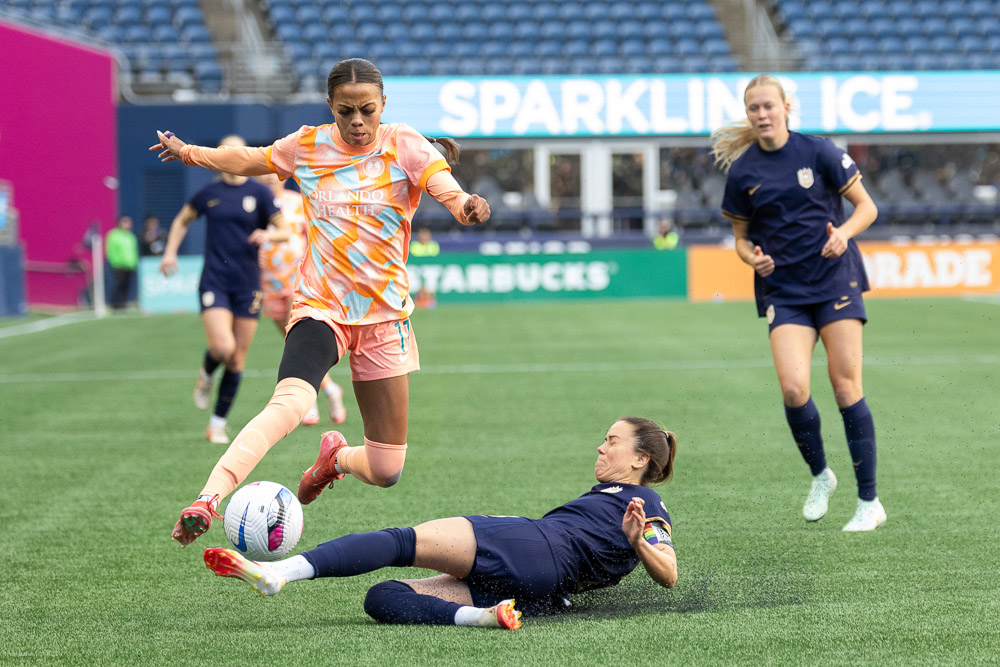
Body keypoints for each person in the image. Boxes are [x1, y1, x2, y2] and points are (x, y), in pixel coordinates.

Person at [151, 58, 492, 547]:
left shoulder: (406, 144)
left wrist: (466, 206)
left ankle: (334, 459)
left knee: (386, 467)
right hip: (320, 308)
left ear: (383, 107)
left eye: (367, 111)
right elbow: (251, 159)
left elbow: (449, 192)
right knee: (290, 403)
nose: (357, 121)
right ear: (330, 106)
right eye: (346, 111)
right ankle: (208, 498)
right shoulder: (309, 145)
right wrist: (189, 153)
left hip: (385, 318)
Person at [202, 417, 678, 629]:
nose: (601, 446)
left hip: (531, 546)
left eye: (612, 441)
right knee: (383, 597)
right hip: (540, 591)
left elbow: (669, 573)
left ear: (639, 459)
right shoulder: (614, 498)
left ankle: (279, 573)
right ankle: (483, 618)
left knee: (398, 541)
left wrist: (639, 542)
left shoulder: (644, 501)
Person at [712, 74, 885, 531]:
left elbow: (867, 208)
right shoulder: (744, 171)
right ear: (748, 114)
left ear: (786, 107)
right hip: (784, 290)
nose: (762, 115)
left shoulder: (820, 151)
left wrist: (843, 235)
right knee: (794, 389)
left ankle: (869, 501)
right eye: (754, 109)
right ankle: (820, 475)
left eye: (769, 106)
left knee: (846, 385)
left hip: (835, 281)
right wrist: (753, 258)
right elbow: (740, 240)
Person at [159, 135, 291, 445]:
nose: (230, 155)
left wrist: (267, 235)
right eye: (224, 150)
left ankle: (217, 424)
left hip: (247, 283)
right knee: (222, 348)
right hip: (215, 280)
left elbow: (284, 230)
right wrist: (169, 253)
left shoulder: (259, 192)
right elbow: (182, 220)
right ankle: (206, 374)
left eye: (235, 150)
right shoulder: (209, 193)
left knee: (236, 360)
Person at [256, 172, 347, 427]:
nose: (270, 179)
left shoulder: (298, 202)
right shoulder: (256, 203)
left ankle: (310, 399)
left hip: (299, 278)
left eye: (275, 175)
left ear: (284, 177)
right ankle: (330, 390)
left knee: (296, 338)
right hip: (268, 281)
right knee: (289, 339)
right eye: (265, 175)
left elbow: (317, 235)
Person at [106, 215, 139, 309]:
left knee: (126, 285)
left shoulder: (131, 236)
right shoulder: (114, 235)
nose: (128, 225)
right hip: (118, 264)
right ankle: (114, 304)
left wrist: (134, 262)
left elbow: (134, 251)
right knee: (118, 285)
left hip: (130, 265)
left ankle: (123, 303)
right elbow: (111, 250)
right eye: (125, 222)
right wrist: (113, 261)